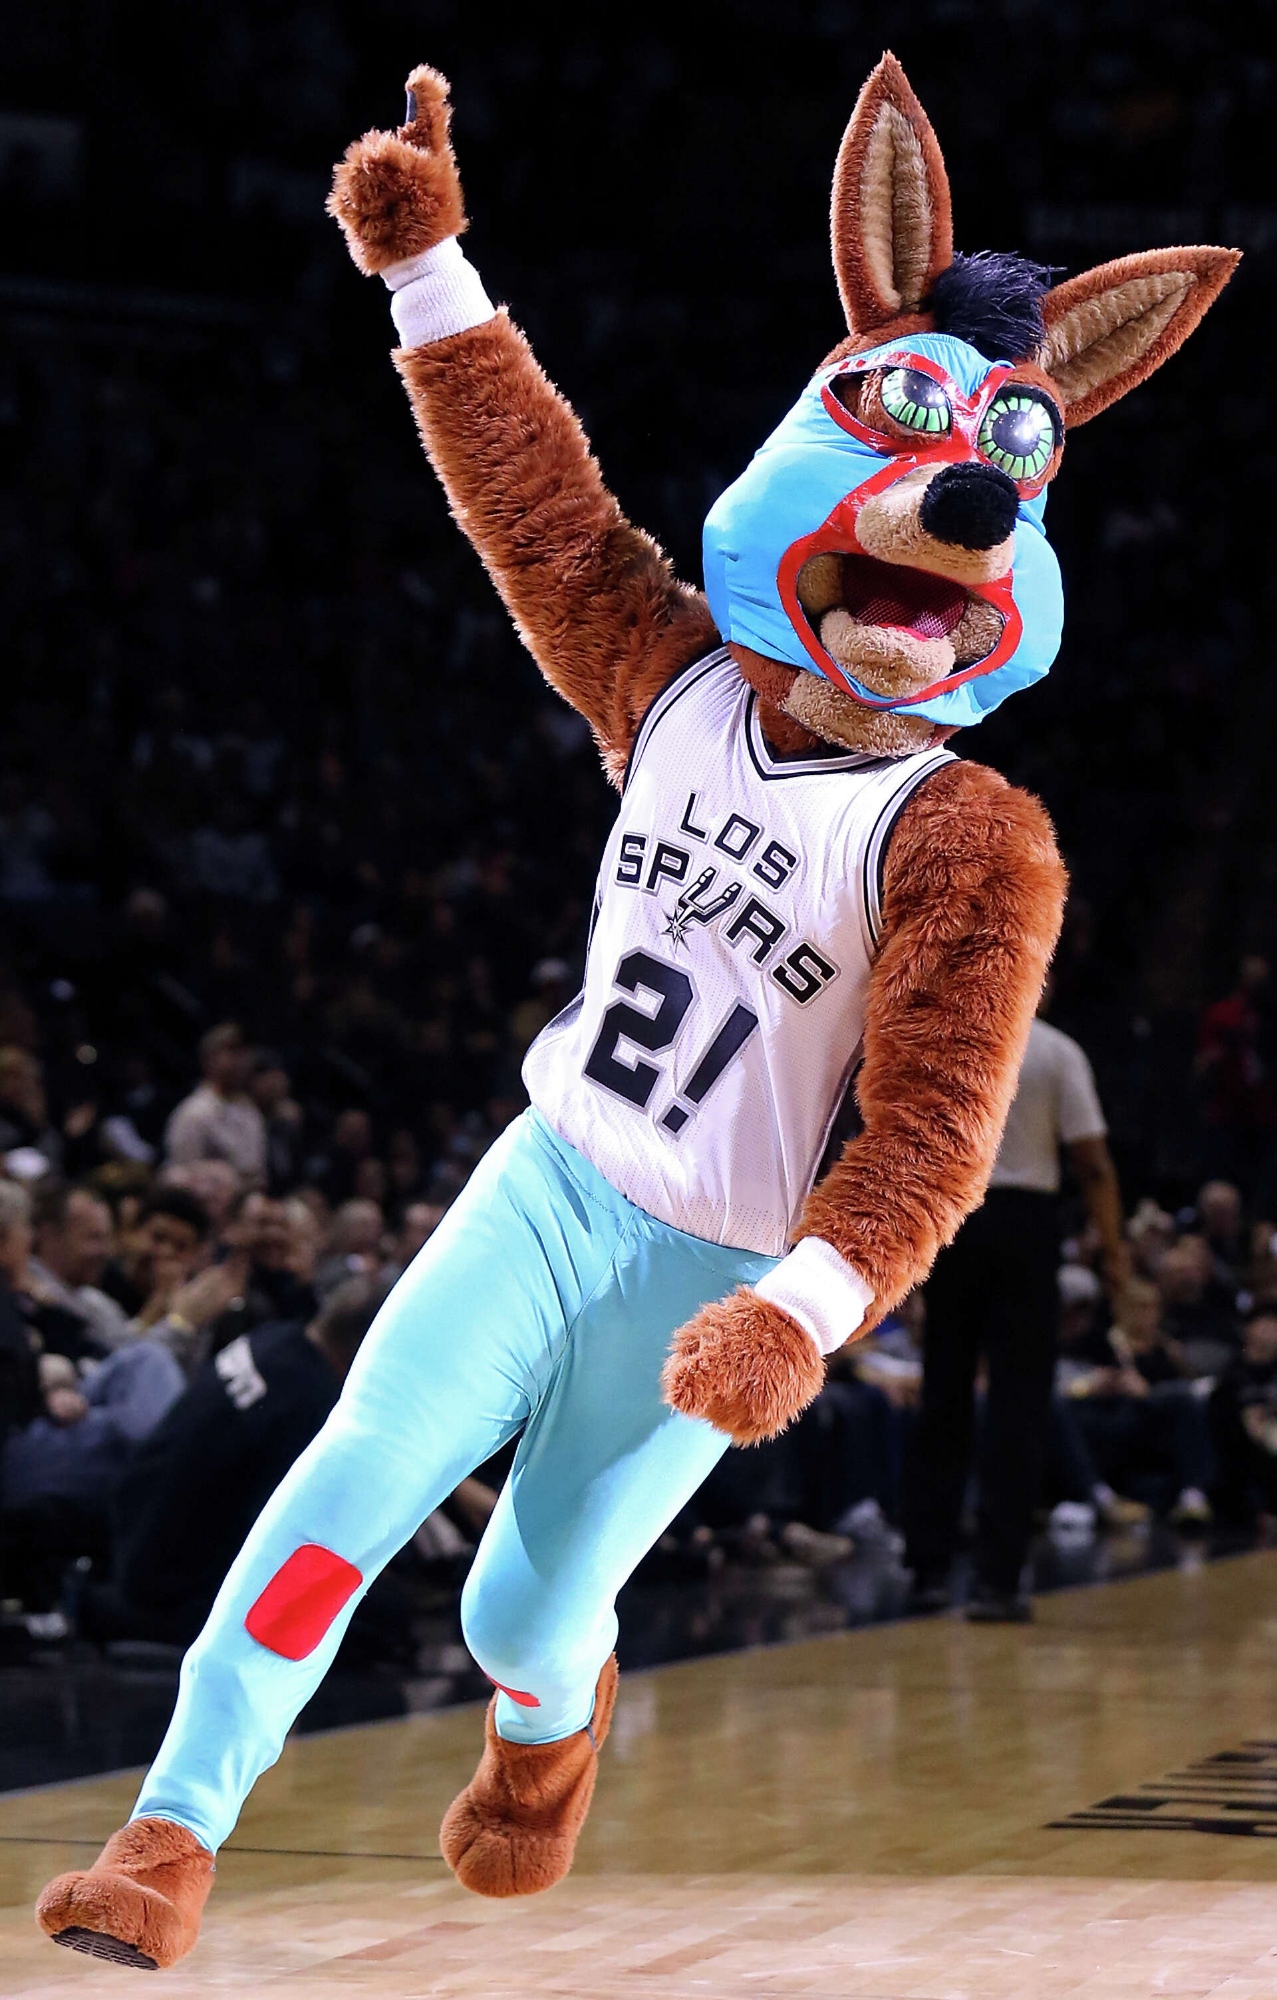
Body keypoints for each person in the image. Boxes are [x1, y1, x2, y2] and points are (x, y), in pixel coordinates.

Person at [903, 992, 1126, 1620]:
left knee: (943, 1395)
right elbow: (1093, 1164)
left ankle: (927, 1569)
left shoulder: (952, 1041)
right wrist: (1113, 1250)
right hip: (1026, 1227)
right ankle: (998, 1581)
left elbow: (917, 1148)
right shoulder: (1057, 1051)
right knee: (1018, 1405)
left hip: (954, 1221)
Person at [28, 1183, 133, 1352]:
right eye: (94, 1238)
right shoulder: (23, 1291)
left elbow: (132, 1353)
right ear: (50, 1236)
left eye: (106, 1239)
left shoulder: (95, 1301)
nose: (105, 1252)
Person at [163, 1024, 267, 1185]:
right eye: (232, 1051)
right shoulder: (194, 1113)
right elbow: (180, 1178)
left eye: (244, 1052)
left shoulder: (250, 1110)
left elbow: (257, 1173)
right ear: (208, 1059)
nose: (240, 1060)